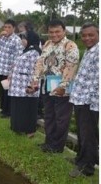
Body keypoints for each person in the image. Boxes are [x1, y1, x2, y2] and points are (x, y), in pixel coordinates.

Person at [29, 19, 79, 153]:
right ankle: (48, 142)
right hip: (47, 85)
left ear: (64, 31)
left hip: (63, 89)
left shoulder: (70, 45)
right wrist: (35, 79)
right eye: (51, 32)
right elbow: (40, 63)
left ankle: (57, 147)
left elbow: (71, 67)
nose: (54, 34)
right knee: (49, 116)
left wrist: (63, 86)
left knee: (61, 119)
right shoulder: (47, 44)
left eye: (57, 31)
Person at [68, 23, 99, 177]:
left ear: (98, 34)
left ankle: (87, 168)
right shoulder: (89, 51)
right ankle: (80, 159)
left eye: (91, 35)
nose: (87, 38)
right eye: (84, 35)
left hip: (89, 101)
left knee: (88, 135)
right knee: (82, 133)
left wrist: (91, 101)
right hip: (80, 99)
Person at [9, 30, 41, 138]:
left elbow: (36, 70)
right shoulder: (25, 50)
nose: (22, 40)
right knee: (18, 107)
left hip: (27, 85)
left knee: (28, 108)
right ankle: (18, 128)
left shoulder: (35, 52)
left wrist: (33, 85)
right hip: (18, 85)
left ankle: (29, 131)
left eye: (24, 38)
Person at [0, 19, 23, 118]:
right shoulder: (2, 38)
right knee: (1, 91)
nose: (7, 29)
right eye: (5, 27)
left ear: (14, 28)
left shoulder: (16, 40)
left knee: (7, 92)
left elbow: (18, 57)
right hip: (0, 68)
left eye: (9, 27)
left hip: (8, 71)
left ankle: (7, 112)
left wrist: (12, 72)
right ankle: (3, 110)